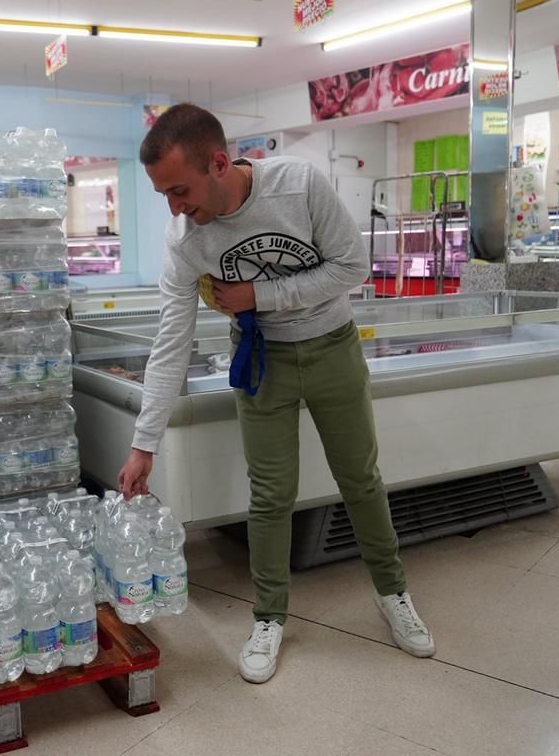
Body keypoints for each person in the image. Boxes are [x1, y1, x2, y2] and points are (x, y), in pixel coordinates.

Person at [117, 103, 434, 684]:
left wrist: (258, 297)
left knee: (360, 480)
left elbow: (352, 265)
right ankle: (269, 617)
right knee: (269, 495)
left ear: (219, 162)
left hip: (333, 347)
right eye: (164, 194)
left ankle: (393, 595)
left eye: (181, 190)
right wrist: (145, 443)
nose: (175, 207)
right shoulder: (184, 238)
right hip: (262, 364)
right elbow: (171, 338)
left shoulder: (298, 185)